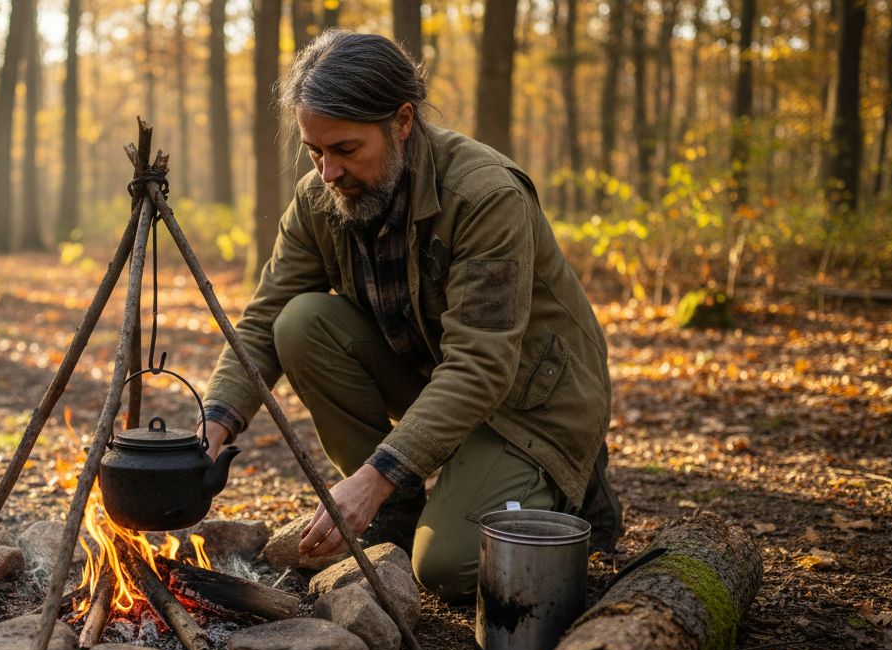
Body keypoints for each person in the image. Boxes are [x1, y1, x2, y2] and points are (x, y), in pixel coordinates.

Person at [200, 30, 620, 603]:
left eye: (346, 150)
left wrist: (371, 476)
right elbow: (263, 318)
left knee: (448, 568)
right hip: (432, 377)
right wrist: (214, 423)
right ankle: (395, 513)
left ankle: (569, 491)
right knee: (300, 322)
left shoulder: (485, 196)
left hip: (530, 404)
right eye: (315, 151)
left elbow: (481, 365)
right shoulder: (319, 197)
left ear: (402, 121)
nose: (328, 172)